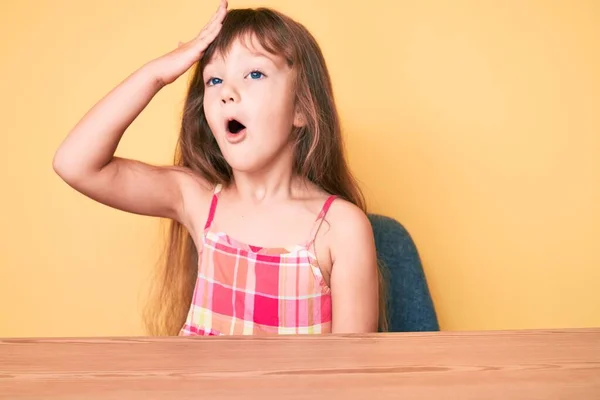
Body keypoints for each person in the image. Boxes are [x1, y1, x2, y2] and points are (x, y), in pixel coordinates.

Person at [53, 0, 387, 336]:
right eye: (214, 80)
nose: (227, 92)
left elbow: (352, 375)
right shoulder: (198, 199)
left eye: (254, 74)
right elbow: (75, 164)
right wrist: (156, 75)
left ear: (301, 108)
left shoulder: (340, 228)